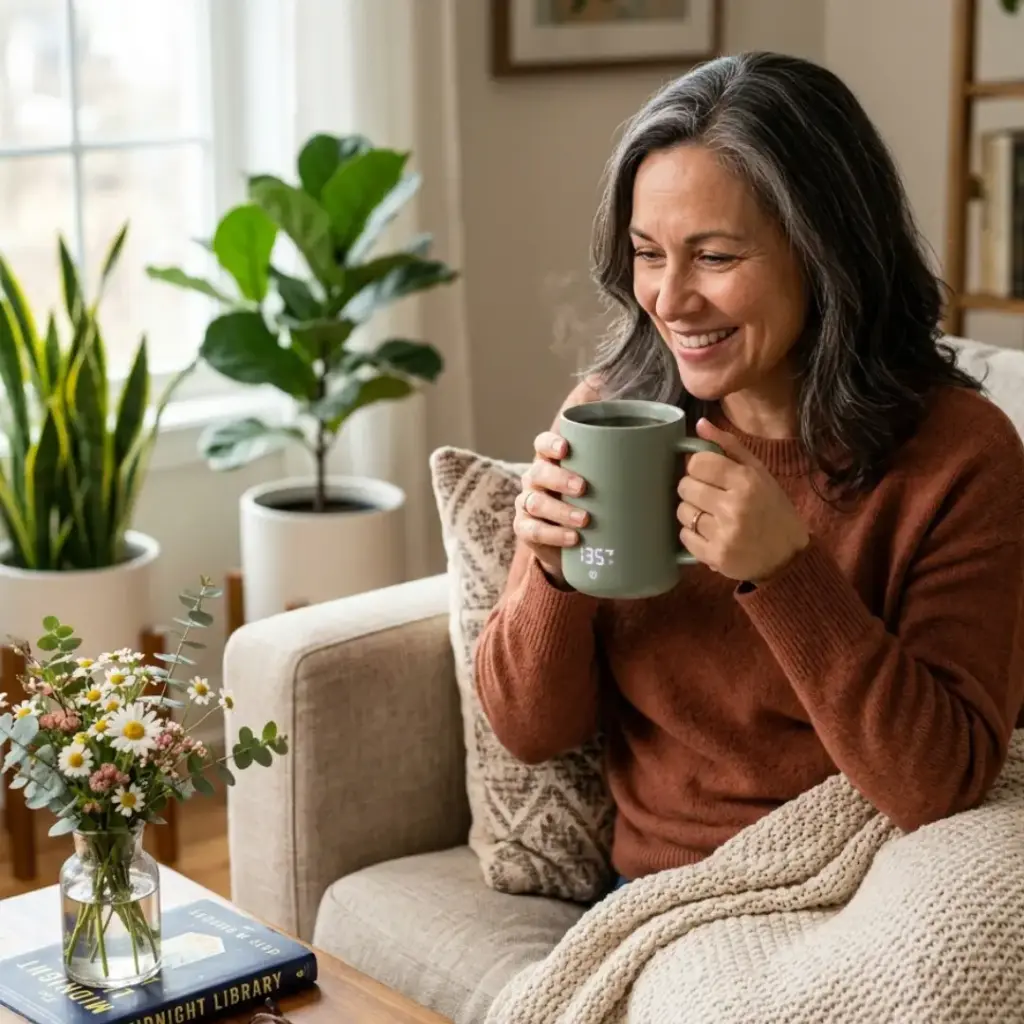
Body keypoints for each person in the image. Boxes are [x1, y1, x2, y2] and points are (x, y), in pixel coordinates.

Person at [473, 51, 1024, 886]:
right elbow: (531, 731)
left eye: (717, 257)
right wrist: (549, 578)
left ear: (826, 251)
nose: (669, 298)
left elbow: (939, 781)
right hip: (668, 892)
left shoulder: (959, 454)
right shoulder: (611, 419)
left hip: (879, 878)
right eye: (648, 253)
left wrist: (788, 573)